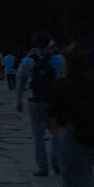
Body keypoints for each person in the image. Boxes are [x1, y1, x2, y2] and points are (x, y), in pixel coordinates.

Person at [49, 40, 94, 187]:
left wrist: (54, 128)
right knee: (86, 170)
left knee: (73, 172)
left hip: (72, 130)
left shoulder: (64, 83)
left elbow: (54, 109)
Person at [17, 31, 66, 177]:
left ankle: (42, 167)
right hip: (53, 99)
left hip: (34, 99)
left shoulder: (27, 61)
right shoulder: (58, 59)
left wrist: (19, 100)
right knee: (55, 133)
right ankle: (56, 162)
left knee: (38, 135)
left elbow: (21, 82)